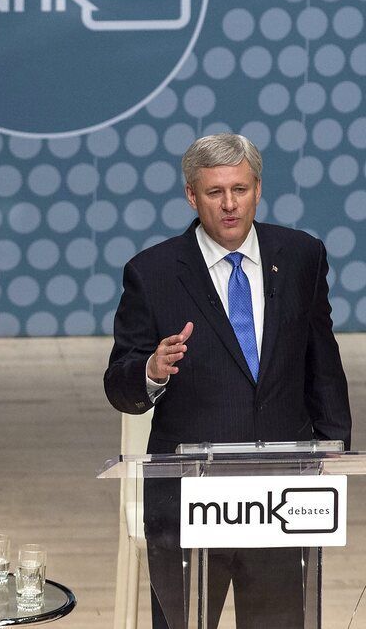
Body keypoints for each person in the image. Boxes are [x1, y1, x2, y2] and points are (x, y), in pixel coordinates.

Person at [104, 133, 351, 629]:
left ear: (258, 189)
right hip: (188, 503)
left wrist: (334, 447)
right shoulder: (152, 273)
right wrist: (151, 371)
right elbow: (119, 384)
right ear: (192, 197)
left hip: (282, 495)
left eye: (240, 189)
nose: (230, 204)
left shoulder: (303, 255)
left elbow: (322, 360)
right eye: (215, 192)